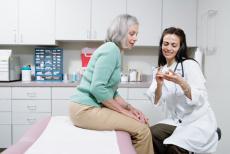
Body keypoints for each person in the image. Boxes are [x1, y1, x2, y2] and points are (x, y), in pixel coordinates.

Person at [69, 14, 154, 154]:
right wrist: (124, 112)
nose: (135, 38)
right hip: (84, 109)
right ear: (120, 32)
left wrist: (131, 108)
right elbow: (97, 88)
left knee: (142, 123)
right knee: (143, 130)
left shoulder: (115, 51)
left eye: (136, 34)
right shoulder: (111, 50)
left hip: (87, 107)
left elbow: (111, 92)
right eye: (132, 33)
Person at [146, 27, 218, 154]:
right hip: (176, 121)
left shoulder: (190, 65)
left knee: (174, 147)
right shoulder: (160, 70)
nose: (168, 48)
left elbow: (201, 97)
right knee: (150, 134)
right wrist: (159, 84)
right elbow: (156, 101)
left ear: (180, 47)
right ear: (161, 44)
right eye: (165, 43)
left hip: (198, 120)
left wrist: (181, 82)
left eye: (174, 45)